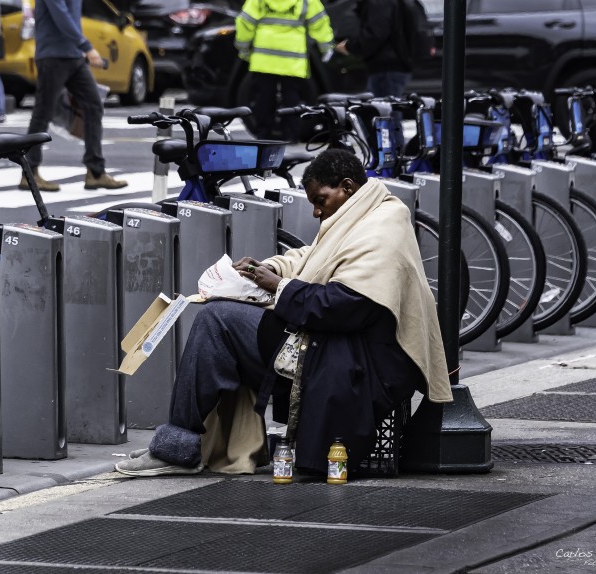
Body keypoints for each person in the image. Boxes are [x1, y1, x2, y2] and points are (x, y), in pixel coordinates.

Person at [115, 148, 453, 479]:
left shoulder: (382, 228)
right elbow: (314, 256)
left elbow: (344, 305)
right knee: (220, 315)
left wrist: (279, 286)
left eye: (321, 200)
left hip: (352, 361)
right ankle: (203, 447)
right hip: (335, 346)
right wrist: (267, 268)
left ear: (347, 187)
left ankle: (176, 449)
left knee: (216, 320)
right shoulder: (366, 212)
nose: (316, 212)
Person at [19, 0, 127, 192]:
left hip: (74, 57)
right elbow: (61, 15)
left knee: (94, 105)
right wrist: (86, 46)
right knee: (43, 113)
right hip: (53, 56)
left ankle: (95, 172)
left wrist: (81, 49)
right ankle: (29, 174)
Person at [234, 0, 335, 142]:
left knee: (264, 98)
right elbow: (319, 22)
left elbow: (245, 21)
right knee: (291, 100)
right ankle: (291, 136)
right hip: (292, 58)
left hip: (265, 57)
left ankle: (264, 135)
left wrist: (242, 46)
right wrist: (326, 46)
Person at [335, 0, 418, 98]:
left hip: (386, 67)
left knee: (384, 109)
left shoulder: (379, 3)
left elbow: (375, 34)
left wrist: (348, 46)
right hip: (395, 63)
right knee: (390, 107)